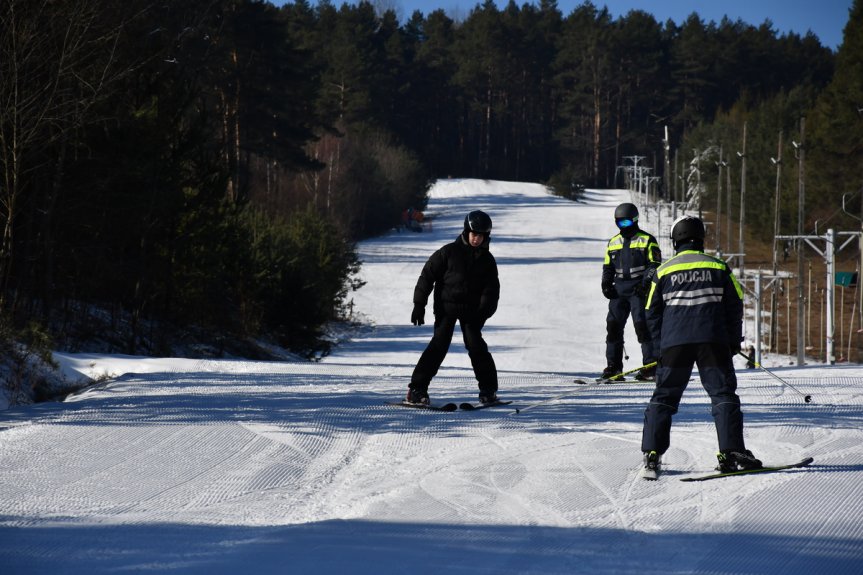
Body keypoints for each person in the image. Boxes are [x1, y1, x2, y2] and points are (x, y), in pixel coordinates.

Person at [639, 215, 761, 479]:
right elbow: (734, 306)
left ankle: (652, 453)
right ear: (701, 238)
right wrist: (732, 341)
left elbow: (651, 311)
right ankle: (731, 453)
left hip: (674, 344)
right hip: (713, 341)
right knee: (723, 395)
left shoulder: (664, 271)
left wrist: (659, 347)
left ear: (675, 240)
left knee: (664, 396)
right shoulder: (719, 267)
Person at [407, 210, 500, 405]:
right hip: (446, 308)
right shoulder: (448, 252)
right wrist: (419, 305)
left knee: (477, 348)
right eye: (474, 234)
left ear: (486, 237)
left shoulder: (487, 261)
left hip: (472, 312)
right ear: (466, 232)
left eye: (480, 236)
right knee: (438, 346)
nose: (476, 239)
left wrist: (483, 313)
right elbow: (427, 276)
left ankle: (488, 391)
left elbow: (491, 291)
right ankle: (417, 389)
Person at [601, 203, 661, 381]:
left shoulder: (647, 240)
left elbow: (654, 264)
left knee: (642, 325)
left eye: (626, 223)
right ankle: (613, 366)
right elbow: (608, 267)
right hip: (619, 290)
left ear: (635, 221)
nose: (623, 227)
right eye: (619, 224)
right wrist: (606, 284)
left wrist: (645, 283)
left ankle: (650, 365)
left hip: (638, 289)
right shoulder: (613, 242)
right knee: (613, 326)